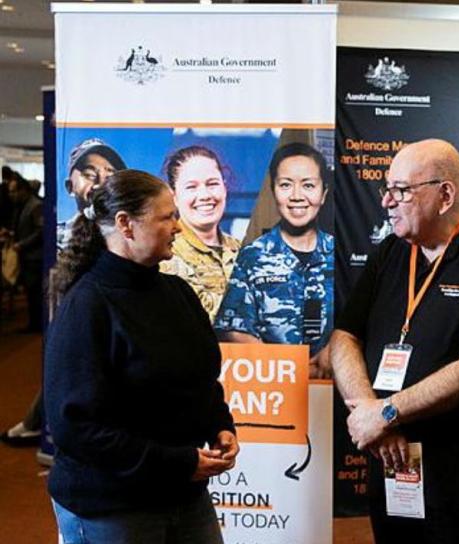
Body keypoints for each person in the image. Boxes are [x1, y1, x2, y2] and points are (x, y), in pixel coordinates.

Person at [331, 139, 459, 543]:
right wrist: (371, 413)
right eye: (387, 188)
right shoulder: (391, 251)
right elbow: (344, 336)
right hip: (392, 466)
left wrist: (388, 412)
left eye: (402, 190)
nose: (387, 201)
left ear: (445, 195)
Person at [44, 170, 238, 543]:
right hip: (112, 505)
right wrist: (177, 463)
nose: (178, 227)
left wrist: (220, 425)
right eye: (167, 217)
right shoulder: (87, 305)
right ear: (125, 224)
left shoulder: (178, 292)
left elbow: (201, 381)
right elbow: (76, 428)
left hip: (183, 493)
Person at [214, 142, 334, 371]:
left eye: (308, 185)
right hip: (273, 382)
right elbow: (234, 329)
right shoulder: (250, 258)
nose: (297, 196)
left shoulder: (341, 256)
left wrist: (330, 356)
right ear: (273, 190)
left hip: (334, 381)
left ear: (324, 193)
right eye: (286, 185)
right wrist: (288, 369)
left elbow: (357, 324)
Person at [159, 145, 241, 322]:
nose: (204, 195)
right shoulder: (164, 254)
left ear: (224, 188)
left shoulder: (244, 250)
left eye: (212, 184)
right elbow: (200, 315)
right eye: (191, 187)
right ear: (174, 196)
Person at [57, 138, 127, 250]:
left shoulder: (133, 235)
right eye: (90, 175)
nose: (100, 183)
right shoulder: (56, 236)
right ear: (70, 186)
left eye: (110, 177)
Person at [6, 173, 43, 332]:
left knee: (35, 292)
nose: (11, 195)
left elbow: (40, 231)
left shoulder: (35, 205)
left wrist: (22, 244)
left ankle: (37, 324)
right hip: (26, 256)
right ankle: (34, 323)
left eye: (13, 191)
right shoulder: (21, 206)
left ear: (23, 190)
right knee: (30, 292)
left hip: (34, 257)